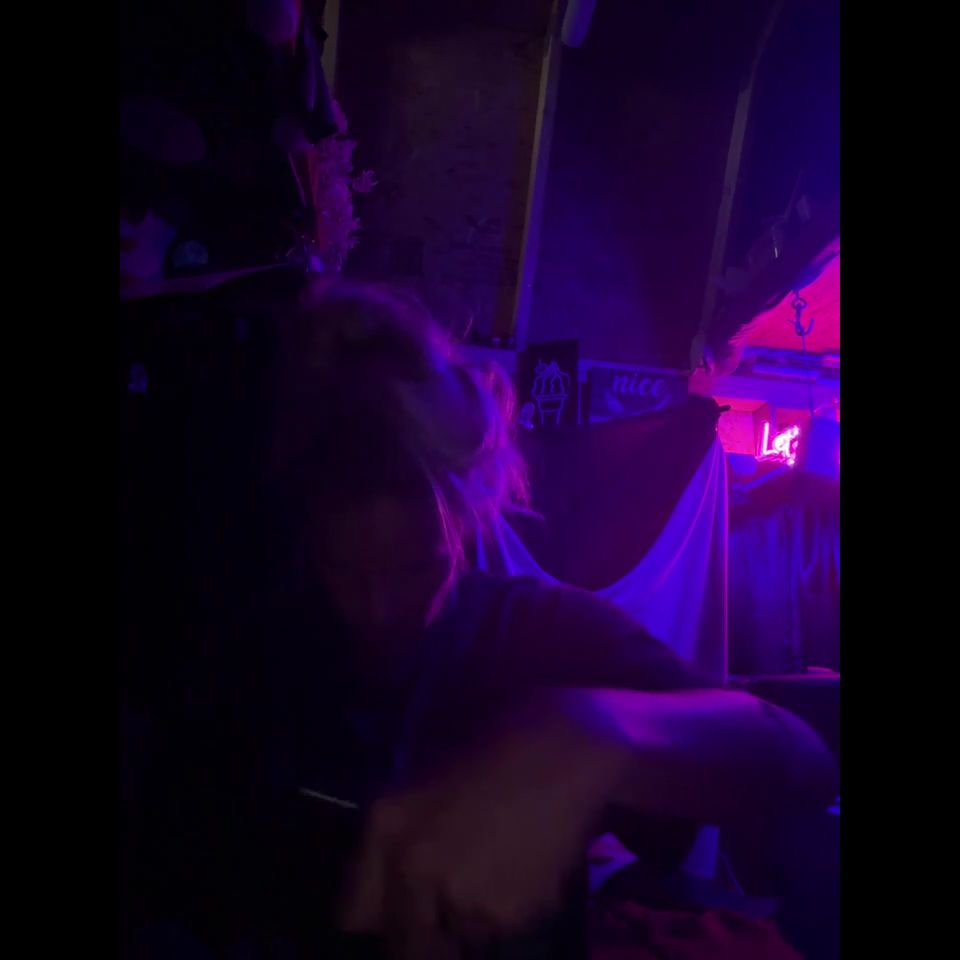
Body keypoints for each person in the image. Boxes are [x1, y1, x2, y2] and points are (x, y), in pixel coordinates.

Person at [123, 281, 836, 959]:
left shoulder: (534, 631)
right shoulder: (248, 650)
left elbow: (802, 763)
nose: (381, 611)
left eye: (417, 569)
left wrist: (600, 734)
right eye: (347, 572)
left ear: (463, 525)